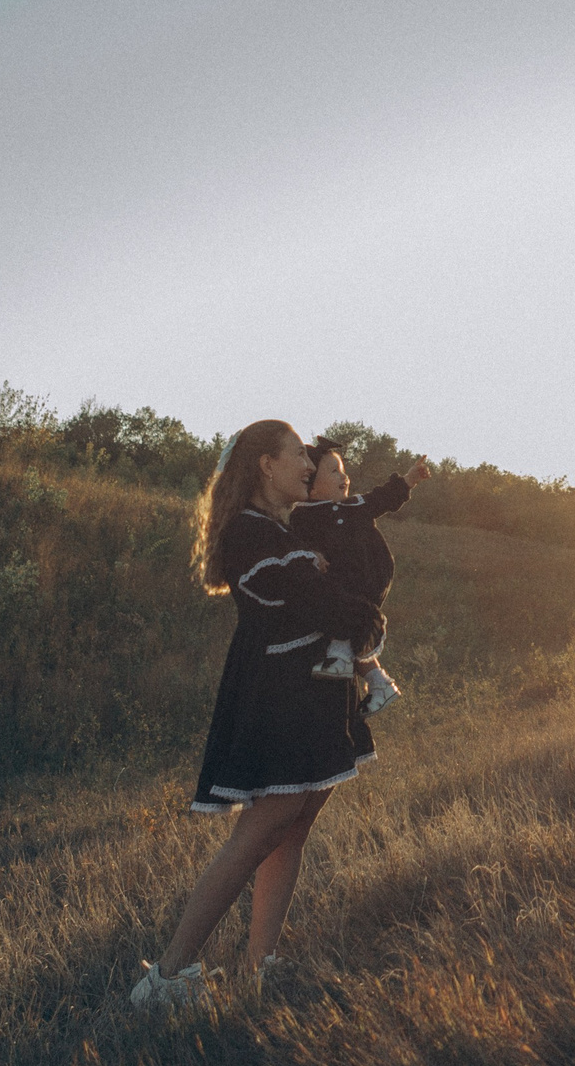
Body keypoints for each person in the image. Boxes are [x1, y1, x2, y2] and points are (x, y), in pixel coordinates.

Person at [132, 420, 387, 1008]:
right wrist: (355, 612)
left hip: (314, 690)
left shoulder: (284, 528)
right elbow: (315, 602)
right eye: (299, 452)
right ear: (266, 465)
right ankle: (167, 978)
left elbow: (340, 601)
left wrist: (352, 611)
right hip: (279, 695)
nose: (310, 461)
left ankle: (259, 967)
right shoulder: (249, 534)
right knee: (258, 832)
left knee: (294, 824)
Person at [292, 442, 435, 713]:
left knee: (339, 604)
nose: (344, 477)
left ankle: (340, 656)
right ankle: (380, 684)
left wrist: (409, 479)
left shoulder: (355, 505)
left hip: (372, 570)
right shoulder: (301, 517)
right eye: (333, 471)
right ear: (311, 485)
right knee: (342, 609)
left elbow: (383, 498)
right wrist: (311, 553)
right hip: (343, 580)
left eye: (343, 470)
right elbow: (295, 544)